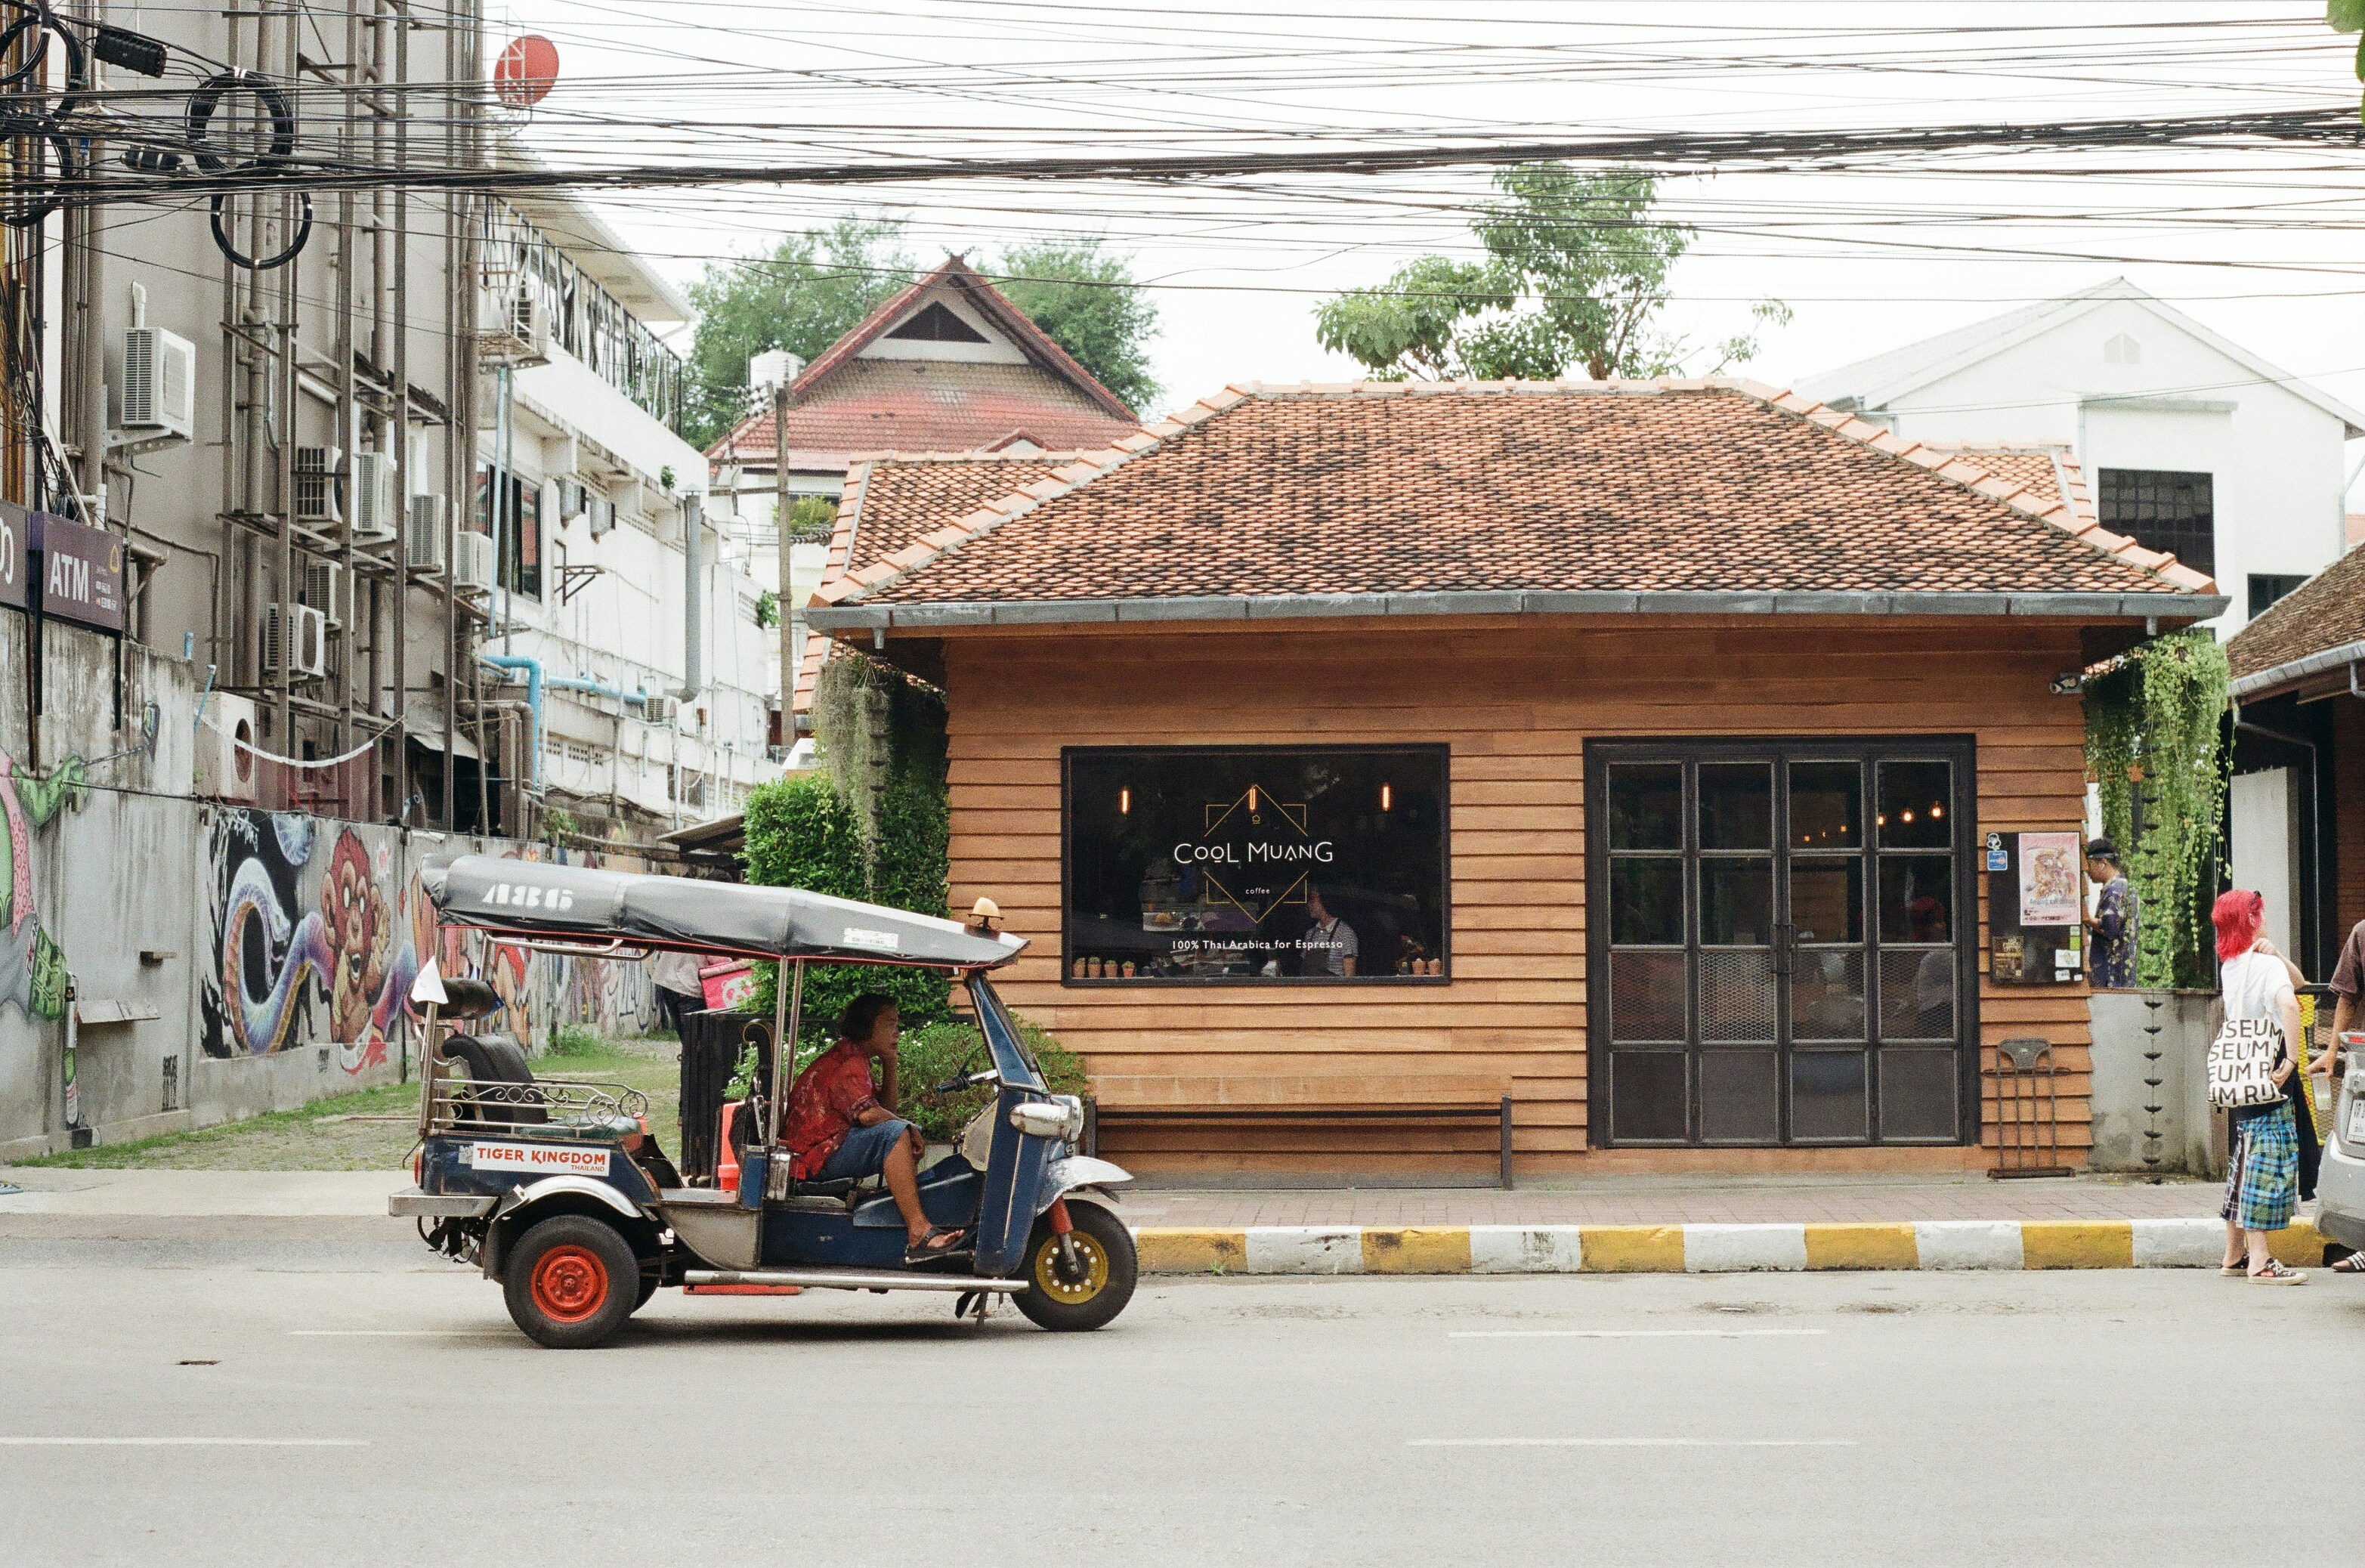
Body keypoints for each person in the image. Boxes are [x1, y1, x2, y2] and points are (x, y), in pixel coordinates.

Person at [781, 993, 967, 1262]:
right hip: (815, 1156)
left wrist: (890, 1062)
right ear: (867, 1025)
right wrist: (907, 1127)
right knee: (895, 1133)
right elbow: (869, 1116)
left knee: (898, 1128)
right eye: (890, 1023)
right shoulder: (849, 1063)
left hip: (826, 1149)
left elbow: (886, 1108)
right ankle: (919, 1232)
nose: (897, 1031)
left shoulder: (858, 1057)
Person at [2214, 889, 2308, 1284]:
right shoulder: (2265, 969)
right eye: (2260, 914)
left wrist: (2276, 955)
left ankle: (2234, 1253)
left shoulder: (2232, 965)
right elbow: (2291, 1003)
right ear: (2251, 920)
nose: (2264, 918)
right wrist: (2290, 1058)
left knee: (2245, 1154)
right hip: (2268, 1068)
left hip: (2240, 1071)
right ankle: (2261, 1260)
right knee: (2266, 1161)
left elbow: (2298, 981)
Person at [2084, 840, 2135, 990]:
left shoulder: (2114, 890)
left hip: (2109, 975)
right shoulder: (2125, 886)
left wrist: (2085, 917)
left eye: (2090, 865)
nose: (2087, 870)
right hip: (2122, 974)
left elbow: (2110, 929)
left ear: (2103, 863)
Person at [1299, 886, 1359, 978]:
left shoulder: (1345, 933)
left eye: (1312, 900)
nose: (1308, 905)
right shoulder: (1310, 934)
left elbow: (1350, 978)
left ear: (1324, 901)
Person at [650, 950, 703, 1035]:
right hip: (691, 984)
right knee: (695, 1040)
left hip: (668, 981)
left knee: (687, 1037)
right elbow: (721, 960)